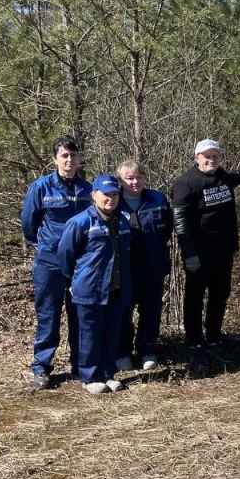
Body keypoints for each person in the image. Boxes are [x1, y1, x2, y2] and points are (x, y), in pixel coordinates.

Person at [172, 138, 240, 350]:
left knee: (219, 294)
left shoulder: (222, 176)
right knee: (195, 297)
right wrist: (189, 254)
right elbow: (180, 223)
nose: (212, 160)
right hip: (198, 252)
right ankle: (194, 339)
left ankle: (214, 335)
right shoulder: (185, 183)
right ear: (197, 158)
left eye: (215, 156)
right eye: (207, 156)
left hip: (224, 250)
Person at [20, 136, 93, 390]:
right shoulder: (41, 187)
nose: (69, 160)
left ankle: (80, 365)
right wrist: (44, 246)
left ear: (79, 160)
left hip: (80, 263)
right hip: (49, 262)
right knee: (48, 315)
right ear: (55, 160)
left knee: (80, 314)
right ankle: (41, 368)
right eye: (64, 156)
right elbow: (29, 224)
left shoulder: (88, 189)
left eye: (73, 156)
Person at [56, 174, 132, 395]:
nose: (111, 199)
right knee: (89, 334)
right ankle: (89, 377)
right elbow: (65, 256)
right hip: (89, 289)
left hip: (116, 289)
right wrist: (74, 280)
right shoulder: (80, 222)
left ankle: (108, 373)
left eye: (115, 194)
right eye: (106, 194)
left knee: (111, 333)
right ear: (94, 195)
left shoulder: (122, 221)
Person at [116, 160, 173, 371]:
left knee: (151, 311)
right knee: (123, 311)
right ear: (120, 181)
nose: (134, 182)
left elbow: (167, 228)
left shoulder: (157, 198)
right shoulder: (113, 201)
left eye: (138, 177)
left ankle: (146, 350)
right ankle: (122, 351)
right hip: (124, 269)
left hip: (152, 266)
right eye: (129, 178)